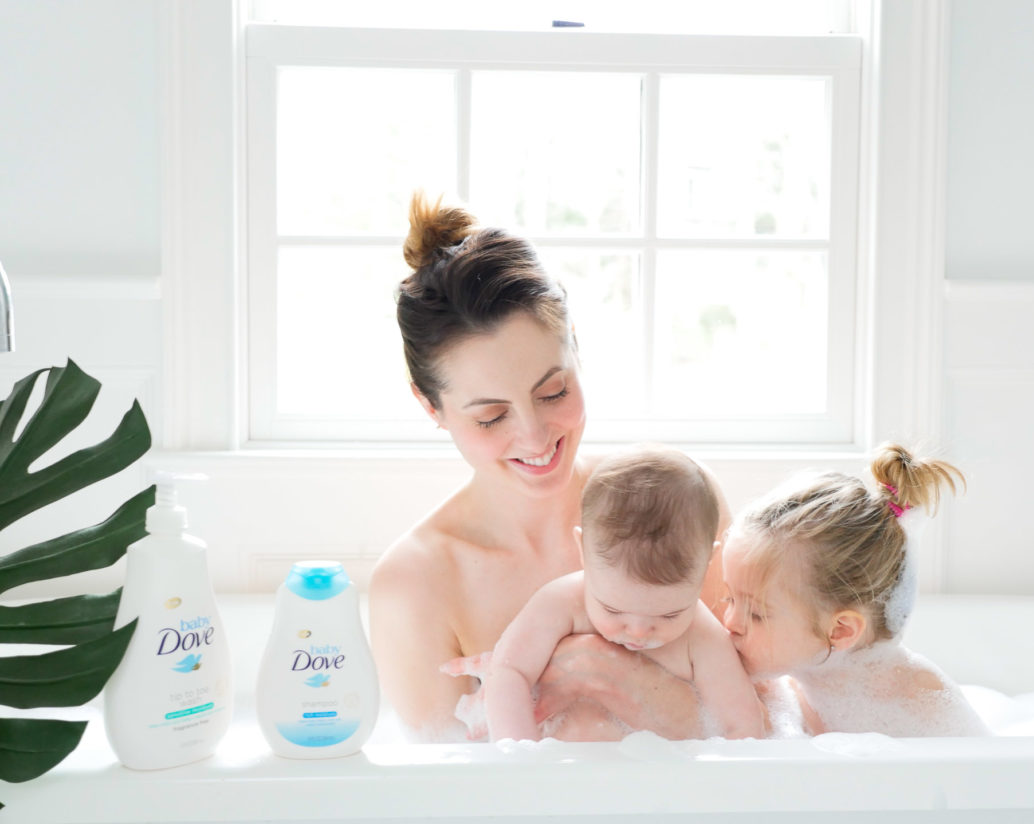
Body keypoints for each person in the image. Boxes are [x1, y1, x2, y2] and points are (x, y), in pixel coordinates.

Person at [368, 193, 728, 741]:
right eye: (491, 417)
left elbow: (763, 733)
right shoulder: (417, 585)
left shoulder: (675, 504)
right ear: (430, 406)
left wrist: (608, 672)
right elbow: (442, 795)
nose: (535, 437)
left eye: (553, 391)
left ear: (576, 350)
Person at [484, 446, 764, 742]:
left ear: (709, 561)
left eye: (670, 614)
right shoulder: (562, 603)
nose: (639, 631)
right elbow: (508, 673)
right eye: (613, 610)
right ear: (583, 552)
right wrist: (519, 754)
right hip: (562, 773)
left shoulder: (702, 637)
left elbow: (743, 728)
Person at [720, 443, 988, 737]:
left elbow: (982, 776)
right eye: (729, 598)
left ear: (841, 631)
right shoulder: (787, 683)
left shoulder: (921, 704)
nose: (729, 622)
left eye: (756, 614)